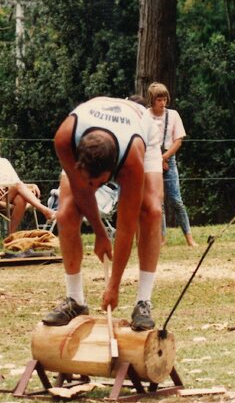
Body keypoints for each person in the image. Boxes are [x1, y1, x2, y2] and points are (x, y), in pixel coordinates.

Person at [43, 95, 164, 331]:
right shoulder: (65, 138)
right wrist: (99, 232)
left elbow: (126, 226)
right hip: (90, 126)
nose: (93, 189)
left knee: (151, 210)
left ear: (113, 173)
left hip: (138, 130)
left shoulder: (132, 162)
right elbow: (80, 189)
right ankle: (75, 300)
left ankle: (143, 302)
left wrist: (113, 285)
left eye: (98, 184)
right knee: (66, 211)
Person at [0, 130, 55, 235]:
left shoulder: (4, 162)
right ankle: (45, 210)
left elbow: (16, 183)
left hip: (9, 194)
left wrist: (32, 185)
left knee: (21, 199)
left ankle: (10, 235)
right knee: (18, 187)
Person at [145, 83, 197, 247]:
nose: (162, 102)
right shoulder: (145, 116)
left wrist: (165, 157)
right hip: (151, 160)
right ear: (152, 100)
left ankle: (189, 238)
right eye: (159, 99)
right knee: (157, 202)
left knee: (176, 200)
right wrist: (156, 160)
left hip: (169, 159)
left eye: (164, 98)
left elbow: (178, 140)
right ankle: (161, 239)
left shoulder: (173, 115)